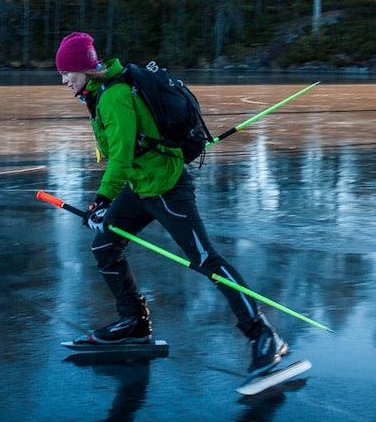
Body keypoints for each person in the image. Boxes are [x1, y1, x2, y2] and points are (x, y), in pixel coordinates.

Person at [55, 31, 288, 376]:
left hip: (166, 188)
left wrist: (101, 200)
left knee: (205, 259)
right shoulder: (98, 95)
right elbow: (123, 156)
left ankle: (263, 335)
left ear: (84, 70)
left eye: (67, 73)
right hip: (141, 186)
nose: (63, 80)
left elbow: (119, 156)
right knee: (105, 246)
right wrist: (102, 205)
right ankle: (134, 322)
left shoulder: (113, 97)